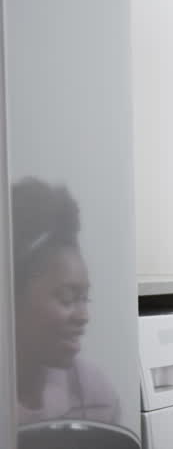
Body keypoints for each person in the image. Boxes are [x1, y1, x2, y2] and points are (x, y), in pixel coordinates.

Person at [12, 177, 119, 424]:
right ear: (13, 295)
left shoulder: (96, 394)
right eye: (67, 298)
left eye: (85, 298)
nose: (84, 316)